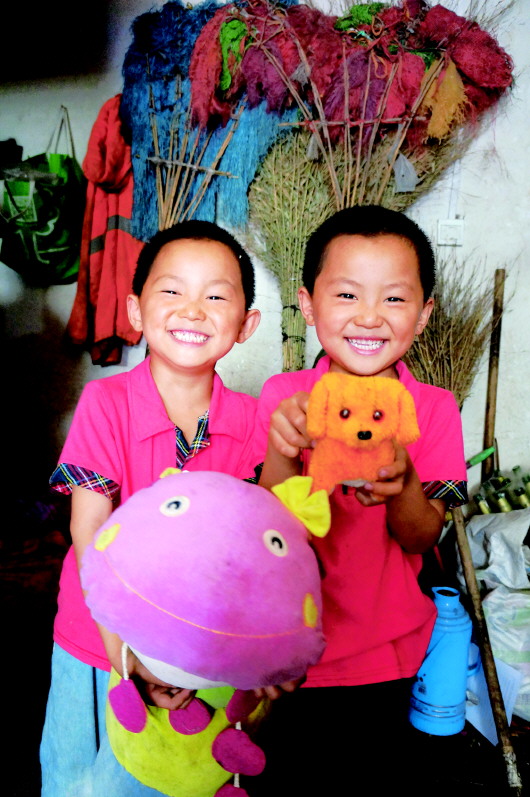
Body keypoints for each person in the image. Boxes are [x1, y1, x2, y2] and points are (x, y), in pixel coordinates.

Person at [247, 205, 468, 795]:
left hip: (385, 653)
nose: (369, 316)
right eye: (347, 294)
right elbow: (265, 533)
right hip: (290, 648)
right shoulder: (284, 397)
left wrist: (404, 484)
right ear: (308, 304)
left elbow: (422, 537)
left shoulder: (434, 409)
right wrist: (283, 451)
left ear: (424, 314)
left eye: (394, 299)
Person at [40, 220, 262, 796]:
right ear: (136, 310)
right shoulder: (106, 402)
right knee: (75, 780)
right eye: (172, 290)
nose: (192, 310)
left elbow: (249, 554)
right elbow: (89, 529)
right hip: (97, 639)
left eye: (216, 297)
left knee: (170, 778)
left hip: (198, 650)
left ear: (246, 324)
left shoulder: (253, 424)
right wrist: (127, 656)